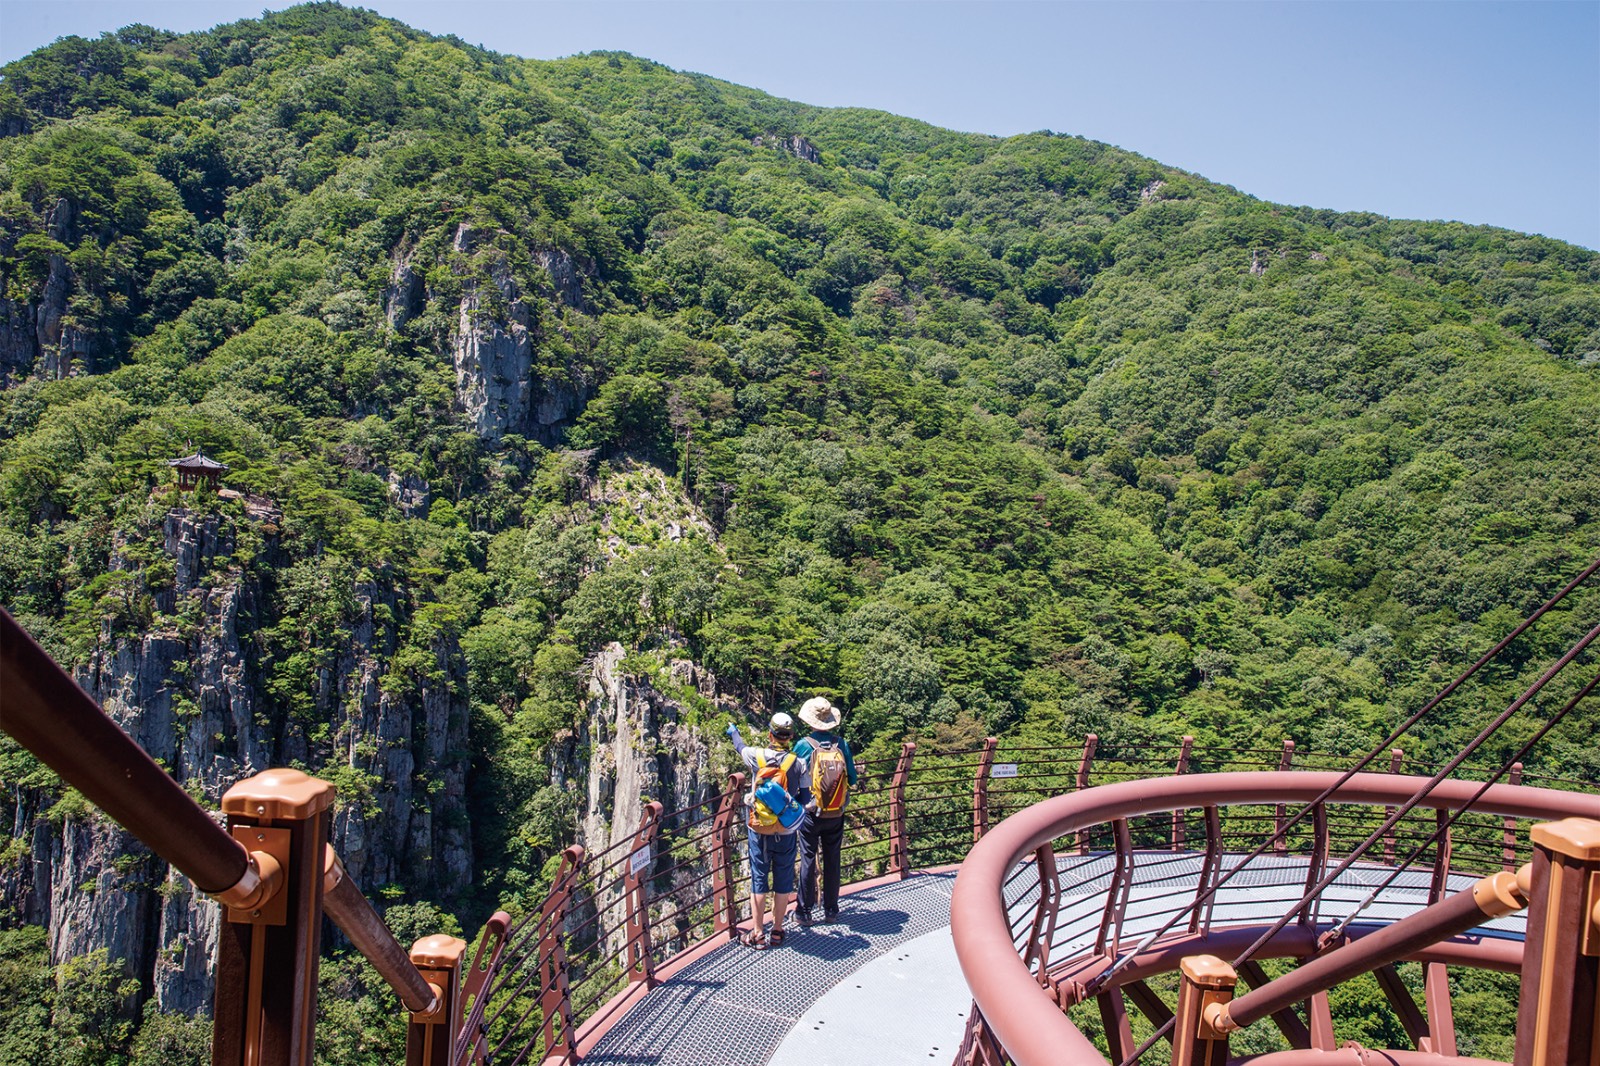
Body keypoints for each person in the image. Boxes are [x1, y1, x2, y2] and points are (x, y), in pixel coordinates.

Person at [725, 711, 811, 948]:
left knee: (759, 879)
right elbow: (805, 798)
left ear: (770, 734)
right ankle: (778, 930)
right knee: (783, 880)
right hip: (785, 830)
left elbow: (740, 746)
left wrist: (734, 732)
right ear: (790, 736)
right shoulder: (798, 763)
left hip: (759, 829)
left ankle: (757, 933)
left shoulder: (757, 756)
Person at [792, 696, 856, 926]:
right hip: (836, 812)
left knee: (808, 859)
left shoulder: (803, 745)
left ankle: (804, 912)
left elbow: (790, 775)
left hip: (810, 812)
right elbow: (853, 777)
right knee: (833, 859)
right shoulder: (841, 744)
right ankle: (831, 910)